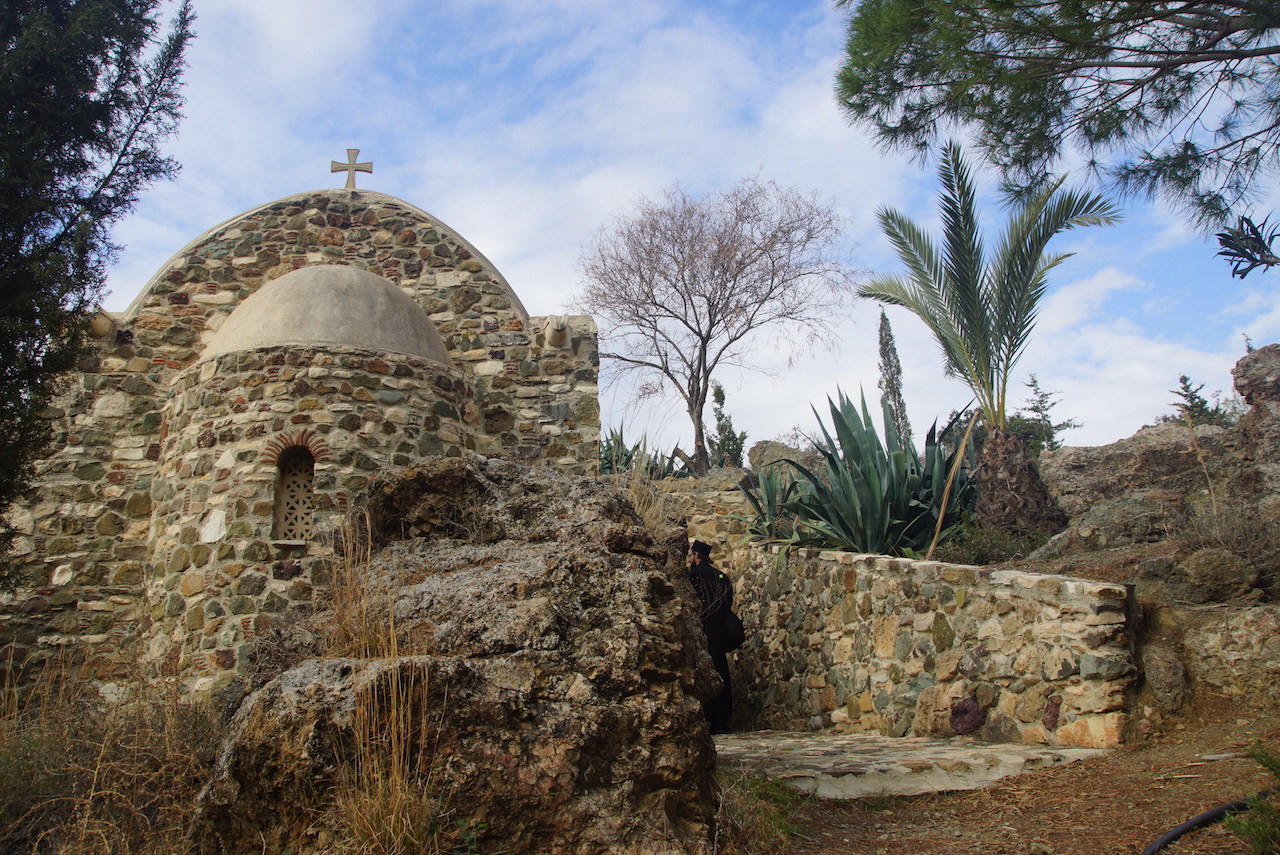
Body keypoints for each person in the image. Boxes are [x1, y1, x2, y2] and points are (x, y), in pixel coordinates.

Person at [687, 539, 734, 733]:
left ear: (696, 555)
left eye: (691, 555)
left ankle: (709, 719)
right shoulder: (721, 576)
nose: (690, 558)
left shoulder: (695, 575)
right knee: (721, 670)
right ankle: (722, 719)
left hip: (704, 629)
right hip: (720, 630)